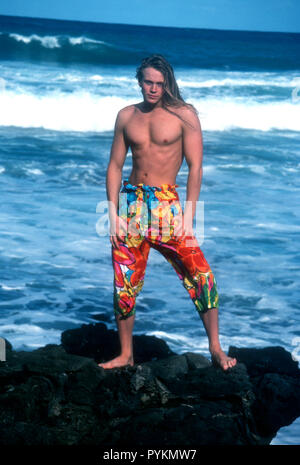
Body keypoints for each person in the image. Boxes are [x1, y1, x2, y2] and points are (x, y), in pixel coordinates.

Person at [99, 54, 236, 371]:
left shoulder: (184, 115)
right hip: (131, 204)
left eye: (160, 83)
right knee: (124, 283)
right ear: (139, 81)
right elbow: (115, 166)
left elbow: (196, 167)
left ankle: (215, 349)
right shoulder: (126, 116)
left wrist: (189, 214)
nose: (153, 88)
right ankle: (125, 354)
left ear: (168, 84)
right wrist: (112, 212)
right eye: (148, 82)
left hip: (167, 206)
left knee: (200, 275)